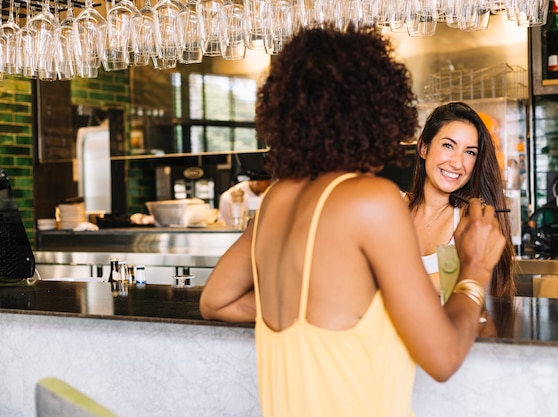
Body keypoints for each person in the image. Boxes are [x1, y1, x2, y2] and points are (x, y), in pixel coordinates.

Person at [200, 25, 506, 417]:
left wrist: (313, 306)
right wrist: (475, 271)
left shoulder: (277, 197)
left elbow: (216, 300)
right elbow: (443, 357)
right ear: (379, 112)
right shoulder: (372, 199)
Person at [406, 102, 516, 298]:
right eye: (448, 145)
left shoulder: (473, 222)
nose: (457, 163)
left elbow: (478, 289)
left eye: (470, 152)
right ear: (423, 147)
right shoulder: (391, 206)